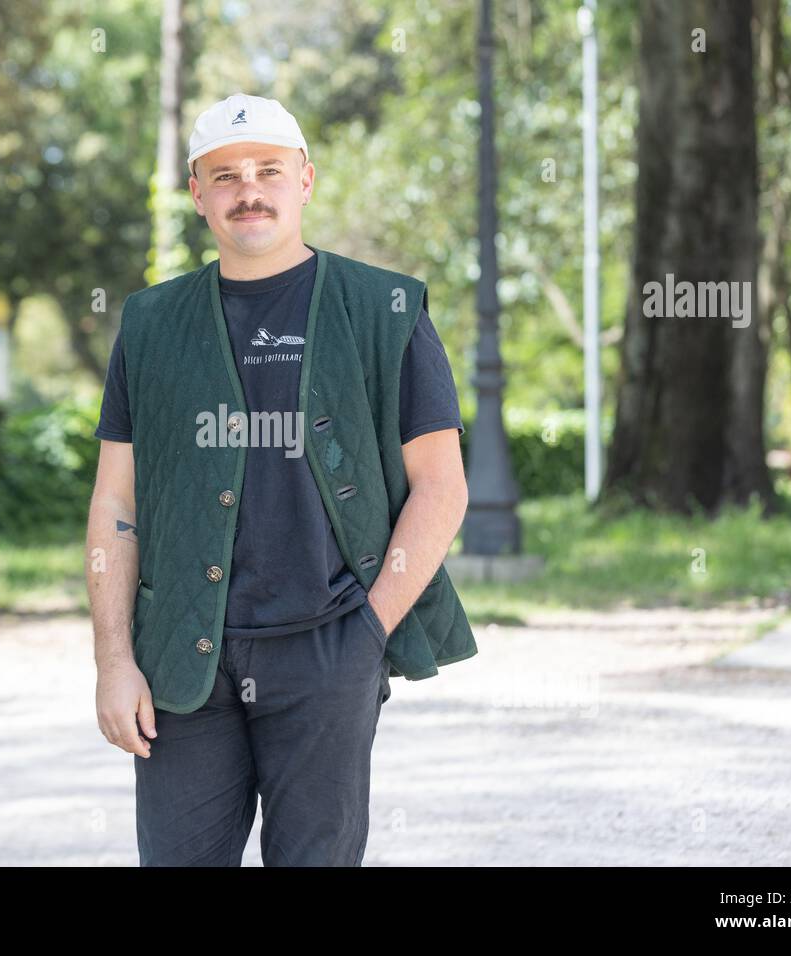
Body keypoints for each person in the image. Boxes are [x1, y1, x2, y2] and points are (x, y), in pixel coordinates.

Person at [87, 92, 479, 866]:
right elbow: (115, 500)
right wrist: (113, 659)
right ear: (197, 193)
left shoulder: (386, 308)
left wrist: (370, 630)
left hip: (329, 645)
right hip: (182, 659)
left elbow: (441, 485)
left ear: (305, 179)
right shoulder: (150, 323)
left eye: (268, 169)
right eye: (225, 175)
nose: (249, 190)